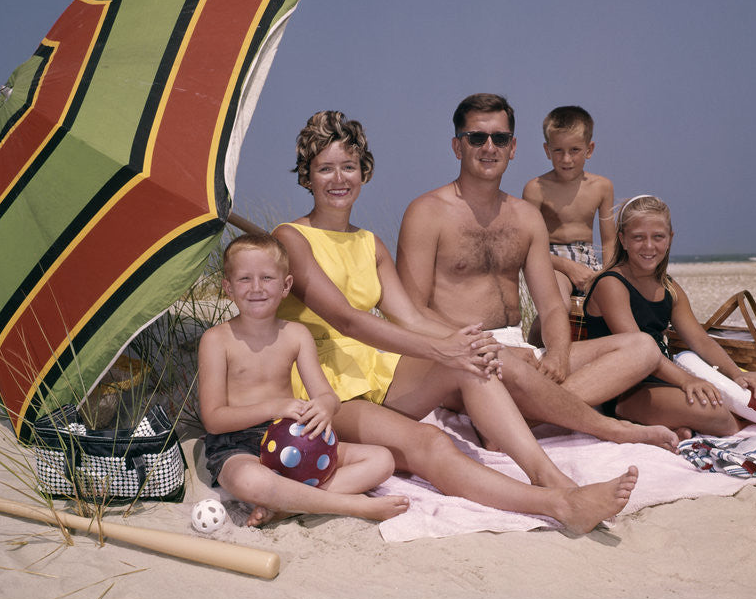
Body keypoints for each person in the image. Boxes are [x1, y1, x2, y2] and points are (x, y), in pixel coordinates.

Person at [273, 111, 638, 534]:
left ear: (363, 171)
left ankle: (549, 476)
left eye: (349, 167)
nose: (339, 179)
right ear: (307, 176)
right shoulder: (290, 239)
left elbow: (409, 316)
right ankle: (558, 504)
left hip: (375, 369)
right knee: (430, 441)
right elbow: (347, 320)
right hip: (320, 387)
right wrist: (439, 348)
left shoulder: (369, 243)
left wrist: (469, 344)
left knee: (471, 361)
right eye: (325, 169)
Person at [396, 93, 679, 450]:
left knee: (643, 348)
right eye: (476, 137)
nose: (489, 147)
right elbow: (411, 312)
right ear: (457, 146)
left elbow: (550, 305)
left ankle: (512, 423)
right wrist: (491, 347)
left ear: (513, 147)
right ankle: (609, 428)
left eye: (500, 138)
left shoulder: (526, 218)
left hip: (520, 350)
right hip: (460, 354)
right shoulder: (426, 213)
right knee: (505, 363)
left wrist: (558, 353)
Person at [198, 233, 409, 526]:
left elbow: (327, 396)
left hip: (293, 436)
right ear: (228, 288)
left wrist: (324, 406)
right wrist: (276, 406)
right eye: (245, 279)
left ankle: (286, 506)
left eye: (267, 278)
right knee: (251, 480)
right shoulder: (216, 340)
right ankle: (353, 505)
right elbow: (213, 420)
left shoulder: (296, 335)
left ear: (286, 286)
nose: (256, 287)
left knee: (382, 460)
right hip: (237, 445)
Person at [582, 195, 756, 436]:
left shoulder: (669, 288)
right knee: (714, 412)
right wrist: (687, 381)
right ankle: (642, 419)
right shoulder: (611, 284)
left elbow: (701, 340)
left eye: (658, 237)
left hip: (664, 379)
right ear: (623, 240)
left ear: (670, 238)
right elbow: (637, 353)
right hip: (623, 390)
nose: (649, 246)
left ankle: (673, 425)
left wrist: (737, 375)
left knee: (733, 399)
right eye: (638, 237)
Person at [522, 106, 615, 301]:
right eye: (558, 150)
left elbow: (609, 241)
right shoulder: (536, 188)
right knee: (559, 302)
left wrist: (608, 275)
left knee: (614, 300)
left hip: (590, 261)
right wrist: (568, 266)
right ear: (547, 150)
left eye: (574, 150)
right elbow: (526, 245)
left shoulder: (602, 187)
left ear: (589, 149)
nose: (566, 159)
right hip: (552, 262)